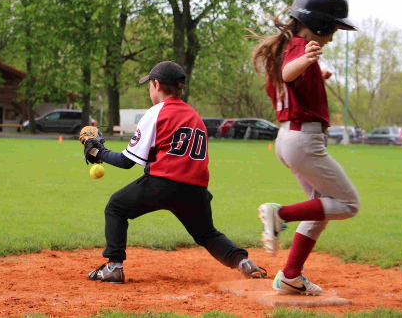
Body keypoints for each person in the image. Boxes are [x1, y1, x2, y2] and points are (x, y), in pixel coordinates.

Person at [84, 61, 266, 283]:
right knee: (207, 234)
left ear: (157, 85)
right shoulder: (194, 116)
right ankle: (244, 263)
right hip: (195, 189)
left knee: (116, 207)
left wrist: (98, 151)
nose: (149, 89)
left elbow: (126, 161)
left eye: (149, 85)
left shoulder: (156, 113)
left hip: (162, 183)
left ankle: (113, 266)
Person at [250, 0, 361, 296]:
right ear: (322, 23)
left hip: (289, 138)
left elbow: (290, 78)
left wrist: (313, 73)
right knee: (348, 204)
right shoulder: (301, 46)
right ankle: (279, 214)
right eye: (332, 29)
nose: (331, 36)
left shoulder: (289, 46)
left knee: (319, 210)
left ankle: (290, 276)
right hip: (304, 141)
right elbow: (288, 74)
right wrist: (306, 59)